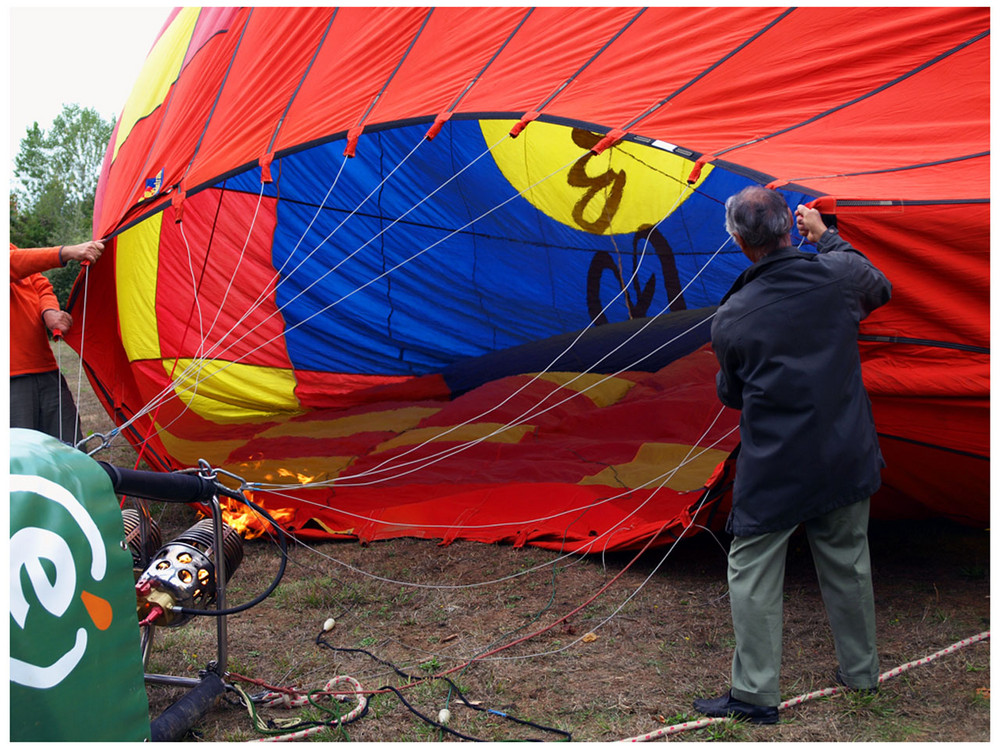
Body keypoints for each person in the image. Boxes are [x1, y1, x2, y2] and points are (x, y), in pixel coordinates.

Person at [693, 186, 891, 724]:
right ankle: (862, 673)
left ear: (739, 242)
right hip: (845, 449)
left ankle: (756, 695)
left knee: (752, 566)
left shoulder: (732, 316)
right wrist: (827, 239)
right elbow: (879, 287)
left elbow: (731, 394)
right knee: (848, 561)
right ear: (789, 229)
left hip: (778, 462)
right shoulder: (837, 275)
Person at [10, 240, 105, 444]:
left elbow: (40, 284)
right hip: (11, 381)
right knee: (21, 459)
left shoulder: (11, 248)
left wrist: (49, 311)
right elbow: (12, 265)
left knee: (69, 448)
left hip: (45, 370)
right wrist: (68, 251)